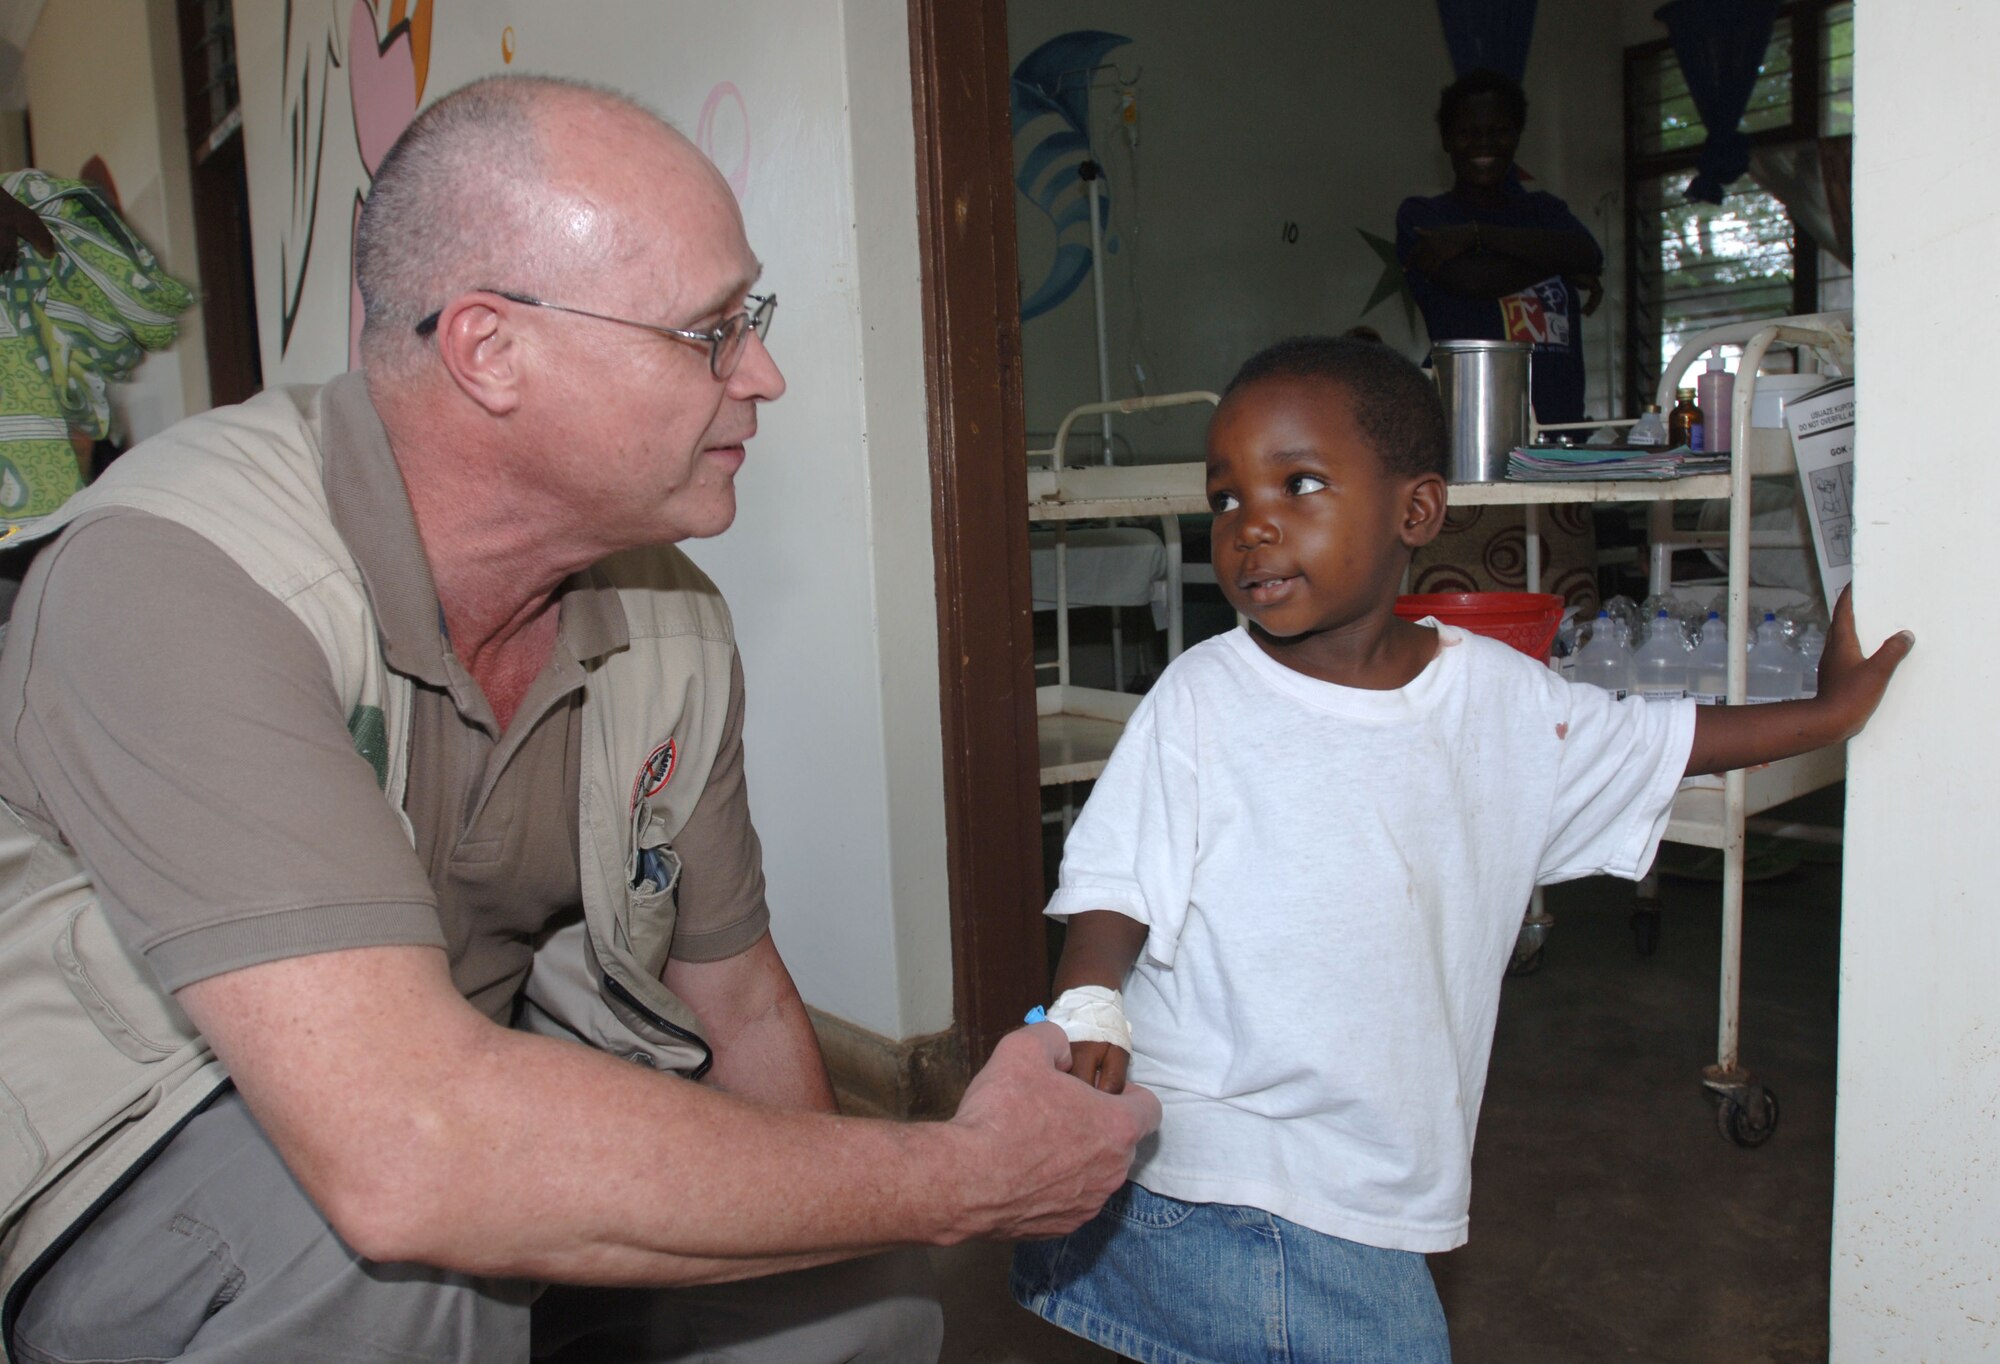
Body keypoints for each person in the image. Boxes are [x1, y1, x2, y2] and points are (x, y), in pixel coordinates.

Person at [0, 75, 1159, 1363]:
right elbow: (407, 1154)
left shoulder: (667, 620)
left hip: (432, 1107)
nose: (763, 374)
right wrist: (962, 1176)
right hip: (132, 1165)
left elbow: (747, 1010)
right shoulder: (176, 577)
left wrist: (865, 1220)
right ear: (492, 350)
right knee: (405, 1261)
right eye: (709, 330)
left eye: (751, 317)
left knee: (858, 1298)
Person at [1010, 336, 1910, 1362]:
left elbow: (1660, 738)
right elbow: (1115, 884)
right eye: (1224, 499)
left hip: (1366, 1167)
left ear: (1416, 511)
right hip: (1218, 1159)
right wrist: (1089, 1002)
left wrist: (1826, 713)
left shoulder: (1497, 699)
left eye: (1298, 484)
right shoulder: (1203, 697)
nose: (1250, 525)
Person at [1396, 68, 1603, 427]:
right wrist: (1557, 262)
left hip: (1557, 435)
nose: (1483, 143)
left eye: (1499, 131)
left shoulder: (1545, 209)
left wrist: (1475, 236)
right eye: (1467, 132)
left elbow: (1590, 253)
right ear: (1446, 138)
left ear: (1517, 136)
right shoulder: (1426, 214)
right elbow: (1474, 280)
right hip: (1466, 433)